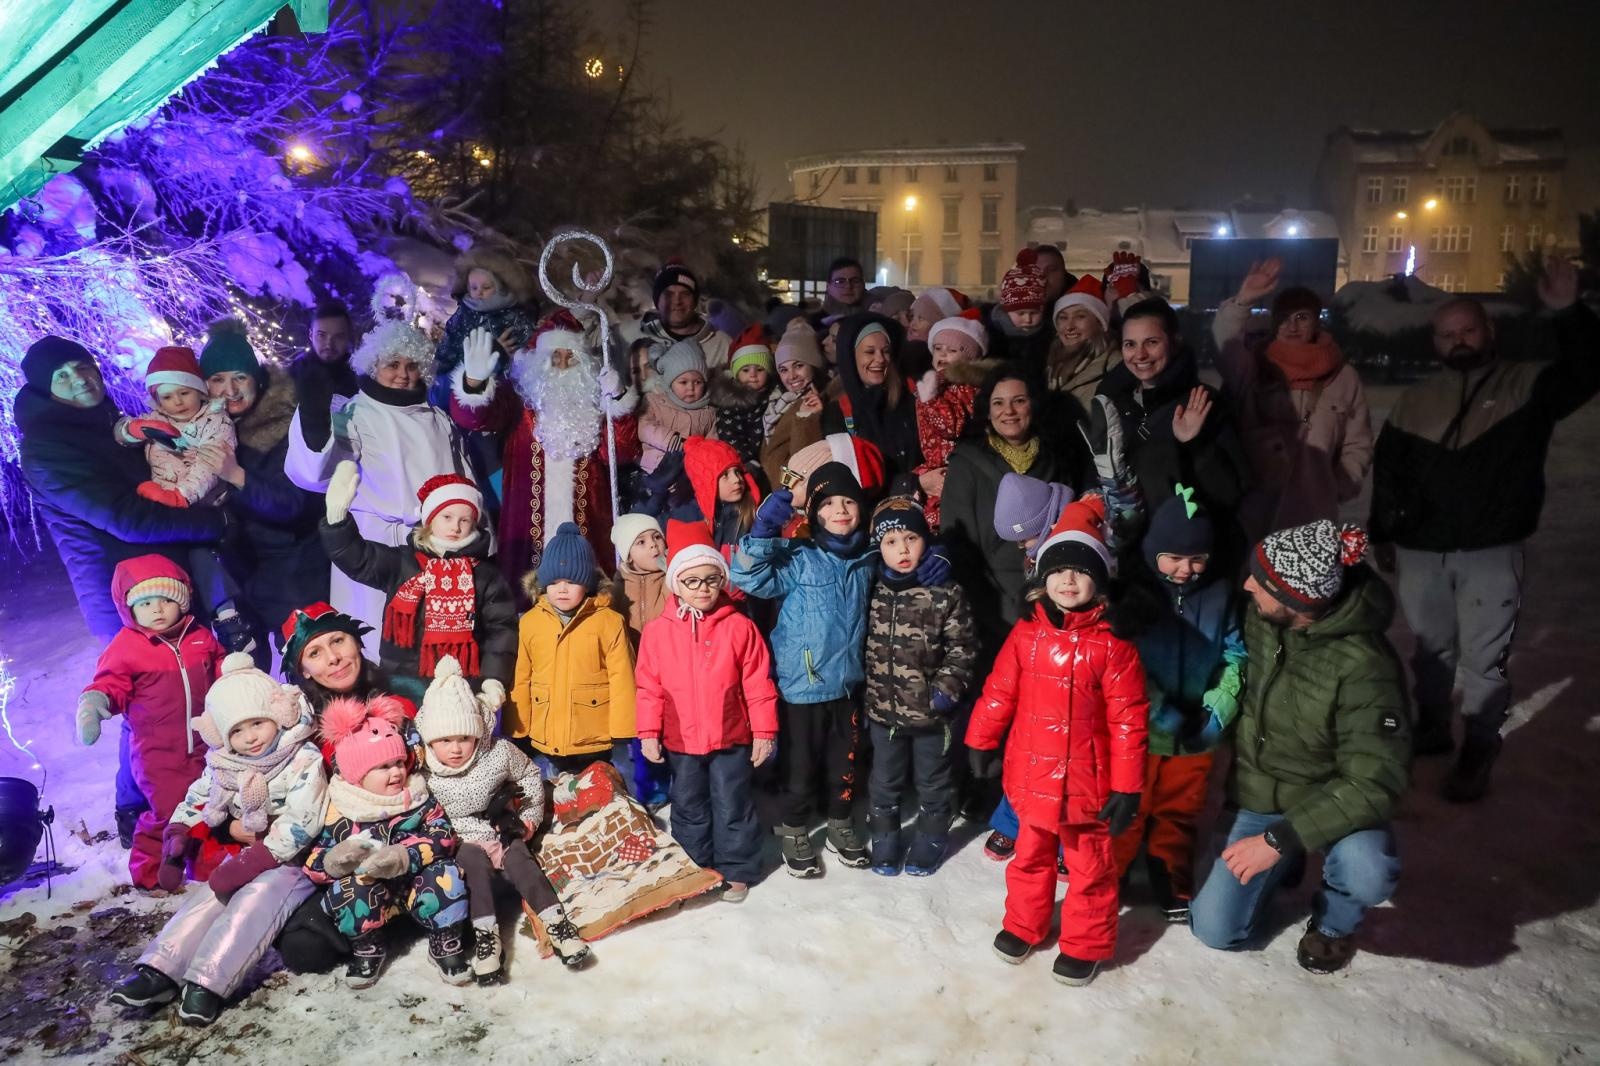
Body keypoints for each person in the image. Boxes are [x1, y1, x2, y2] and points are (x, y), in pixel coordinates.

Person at [1370, 257, 1599, 800]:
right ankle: (1432, 725)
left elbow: (1591, 367)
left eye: (1468, 329)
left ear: (1488, 330)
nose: (1459, 341)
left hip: (1490, 549)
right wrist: (1383, 530)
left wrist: (1569, 312)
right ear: (1436, 343)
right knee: (1429, 650)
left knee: (1484, 658)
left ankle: (1479, 742)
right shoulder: (1416, 399)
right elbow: (1390, 469)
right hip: (1423, 548)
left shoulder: (1528, 384)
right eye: (1448, 335)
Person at [1190, 520, 1407, 975]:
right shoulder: (1258, 616)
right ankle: (1281, 866)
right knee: (1214, 930)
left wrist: (1279, 840)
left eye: (1263, 583)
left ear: (1300, 603)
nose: (1248, 584)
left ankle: (1335, 922)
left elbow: (1374, 782)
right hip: (1259, 794)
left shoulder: (1367, 667)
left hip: (1329, 799)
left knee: (1369, 869)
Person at [966, 496, 1149, 987]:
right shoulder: (1026, 636)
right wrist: (980, 741)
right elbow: (999, 691)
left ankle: (1085, 943)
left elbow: (1130, 718)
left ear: (1100, 582)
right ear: (1041, 580)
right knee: (1029, 856)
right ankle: (1025, 924)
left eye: (1080, 571)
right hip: (1031, 777)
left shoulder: (1114, 646)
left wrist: (1128, 787)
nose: (1068, 581)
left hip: (1089, 787)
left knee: (1090, 868)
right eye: (1058, 571)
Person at [109, 653, 327, 1026]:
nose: (249, 738)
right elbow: (197, 796)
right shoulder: (227, 763)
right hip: (249, 854)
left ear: (277, 716)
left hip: (297, 862)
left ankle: (208, 982)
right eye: (236, 732)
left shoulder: (302, 757)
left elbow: (303, 821)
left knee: (255, 901)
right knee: (210, 896)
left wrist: (252, 861)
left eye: (257, 723)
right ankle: (160, 969)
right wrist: (177, 836)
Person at [284, 278, 473, 650]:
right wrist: (313, 414)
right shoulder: (354, 411)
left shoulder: (438, 419)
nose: (403, 374)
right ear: (373, 365)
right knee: (373, 643)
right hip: (372, 548)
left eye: (412, 365)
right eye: (392, 364)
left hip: (434, 546)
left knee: (430, 646)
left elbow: (464, 483)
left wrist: (474, 536)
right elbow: (315, 472)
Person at [731, 462, 877, 876]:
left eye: (849, 501)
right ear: (814, 513)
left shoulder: (867, 559)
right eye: (829, 503)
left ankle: (839, 823)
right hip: (802, 685)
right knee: (800, 767)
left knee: (843, 765)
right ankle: (794, 828)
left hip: (848, 685)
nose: (841, 510)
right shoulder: (800, 556)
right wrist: (761, 534)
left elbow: (907, 561)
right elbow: (747, 577)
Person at [1110, 485, 1245, 922]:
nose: (1186, 570)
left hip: (1195, 732)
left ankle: (1169, 869)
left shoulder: (1221, 594)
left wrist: (1216, 710)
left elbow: (1235, 655)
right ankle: (1111, 870)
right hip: (1142, 730)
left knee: (1181, 809)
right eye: (1174, 558)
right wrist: (1159, 709)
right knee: (1129, 803)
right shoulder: (1136, 595)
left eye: (1197, 559)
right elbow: (1122, 662)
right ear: (1153, 553)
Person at [415, 655, 589, 980]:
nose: (455, 749)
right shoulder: (426, 773)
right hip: (464, 837)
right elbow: (419, 809)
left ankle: (557, 923)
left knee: (523, 863)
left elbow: (529, 774)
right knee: (474, 873)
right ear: (430, 741)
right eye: (445, 741)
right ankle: (486, 938)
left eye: (463, 738)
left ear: (477, 734)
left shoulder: (498, 753)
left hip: (501, 827)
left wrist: (530, 816)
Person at [636, 525, 778, 902]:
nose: (702, 588)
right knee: (687, 805)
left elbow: (759, 685)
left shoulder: (740, 627)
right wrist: (648, 732)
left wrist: (764, 732)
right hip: (681, 739)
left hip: (730, 736)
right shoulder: (656, 633)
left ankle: (737, 868)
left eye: (711, 580)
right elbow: (648, 688)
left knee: (733, 804)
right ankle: (694, 866)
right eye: (692, 580)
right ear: (675, 583)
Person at [449, 317, 639, 600]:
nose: (562, 365)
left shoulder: (596, 404)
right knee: (528, 608)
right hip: (528, 533)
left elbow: (621, 453)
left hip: (589, 531)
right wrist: (474, 383)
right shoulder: (518, 403)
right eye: (554, 356)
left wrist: (619, 401)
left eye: (570, 357)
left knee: (590, 609)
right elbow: (474, 417)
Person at [76, 556, 225, 889]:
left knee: (208, 808)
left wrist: (234, 673)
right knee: (168, 813)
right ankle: (149, 875)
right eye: (145, 602)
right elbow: (111, 682)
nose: (157, 610)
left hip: (205, 744)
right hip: (157, 751)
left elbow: (219, 666)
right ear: (130, 607)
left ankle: (203, 871)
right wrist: (96, 702)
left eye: (167, 600)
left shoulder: (199, 636)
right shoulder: (127, 647)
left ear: (182, 602)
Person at [304, 693, 472, 988]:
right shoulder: (343, 809)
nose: (396, 772)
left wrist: (406, 855)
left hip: (415, 885)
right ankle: (367, 945)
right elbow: (315, 862)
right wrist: (335, 861)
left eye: (398, 762)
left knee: (445, 875)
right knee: (349, 889)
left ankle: (446, 938)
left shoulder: (418, 797)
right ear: (357, 775)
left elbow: (444, 835)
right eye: (383, 767)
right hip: (373, 894)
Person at [319, 465, 517, 700]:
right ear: (430, 520)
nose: (455, 527)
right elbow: (358, 558)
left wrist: (493, 679)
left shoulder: (485, 575)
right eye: (447, 517)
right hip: (403, 681)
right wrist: (337, 521)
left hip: (462, 687)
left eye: (465, 520)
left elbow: (501, 630)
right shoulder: (403, 563)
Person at [1213, 258, 1374, 542]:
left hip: (1313, 517)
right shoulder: (1254, 366)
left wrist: (1337, 486)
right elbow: (1225, 348)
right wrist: (1243, 301)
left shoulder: (1343, 376)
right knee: (1253, 585)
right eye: (1284, 317)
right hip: (1256, 513)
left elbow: (1357, 442)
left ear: (1316, 320)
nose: (1292, 325)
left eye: (1302, 316)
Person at [201, 321, 330, 665]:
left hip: (294, 570)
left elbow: (293, 504)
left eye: (239, 377)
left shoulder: (286, 428)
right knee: (250, 681)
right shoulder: (202, 432)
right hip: (240, 575)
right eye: (217, 380)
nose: (230, 390)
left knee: (310, 667)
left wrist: (238, 477)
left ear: (256, 380)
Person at [862, 497, 977, 876]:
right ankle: (885, 838)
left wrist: (945, 689)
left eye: (911, 538)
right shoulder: (873, 585)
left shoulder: (945, 591)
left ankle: (930, 836)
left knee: (933, 782)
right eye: (891, 542)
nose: (903, 550)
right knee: (884, 783)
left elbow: (963, 647)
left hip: (931, 715)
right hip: (884, 712)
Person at [941, 366, 1076, 668]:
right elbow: (959, 548)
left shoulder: (1056, 461)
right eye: (998, 403)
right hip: (990, 613)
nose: (1009, 411)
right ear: (987, 411)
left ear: (1033, 405)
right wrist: (1001, 612)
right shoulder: (967, 464)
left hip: (1051, 607)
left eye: (1019, 401)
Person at [1096, 298, 1250, 521]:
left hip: (1183, 547)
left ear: (1175, 342)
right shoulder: (1113, 401)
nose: (1140, 355)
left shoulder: (1202, 401)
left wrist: (1195, 445)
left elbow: (1229, 493)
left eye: (1151, 342)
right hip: (1129, 545)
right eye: (1130, 344)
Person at [506, 522, 638, 778]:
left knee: (596, 797)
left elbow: (622, 678)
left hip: (593, 735)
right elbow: (521, 677)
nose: (562, 589)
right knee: (554, 794)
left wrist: (624, 730)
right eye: (554, 581)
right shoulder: (530, 622)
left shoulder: (609, 622)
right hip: (546, 732)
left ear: (587, 583)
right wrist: (517, 727)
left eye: (572, 581)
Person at [117, 345, 237, 509]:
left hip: (201, 502)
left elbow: (209, 465)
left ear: (200, 391)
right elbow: (121, 434)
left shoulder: (216, 422)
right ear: (158, 400)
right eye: (167, 396)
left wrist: (181, 496)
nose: (178, 401)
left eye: (184, 393)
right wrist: (132, 430)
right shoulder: (157, 418)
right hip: (160, 496)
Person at [913, 313, 997, 530]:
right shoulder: (936, 384)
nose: (943, 355)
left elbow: (951, 426)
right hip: (934, 465)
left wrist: (930, 399)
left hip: (954, 466)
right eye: (938, 348)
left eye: (952, 351)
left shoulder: (966, 388)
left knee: (945, 517)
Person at [429, 246, 540, 406]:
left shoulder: (516, 317)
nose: (479, 292)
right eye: (474, 287)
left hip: (496, 397)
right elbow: (447, 351)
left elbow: (522, 363)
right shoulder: (463, 314)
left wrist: (497, 356)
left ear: (501, 287)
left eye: (486, 287)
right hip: (454, 388)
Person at [823, 312, 923, 476]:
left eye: (886, 351)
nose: (880, 359)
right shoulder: (838, 412)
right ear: (851, 357)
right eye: (870, 352)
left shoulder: (912, 397)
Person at [758, 317, 828, 487]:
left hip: (795, 493)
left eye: (798, 366)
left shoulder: (817, 401)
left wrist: (804, 418)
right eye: (783, 369)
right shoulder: (777, 401)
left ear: (813, 364)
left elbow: (803, 462)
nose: (791, 376)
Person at [1041, 276, 1119, 422]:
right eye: (1063, 318)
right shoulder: (1049, 367)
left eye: (1080, 317)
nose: (1069, 326)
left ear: (1100, 323)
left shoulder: (1114, 364)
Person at [638, 336, 718, 474]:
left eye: (697, 382)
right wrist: (671, 440)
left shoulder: (709, 411)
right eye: (683, 382)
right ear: (670, 382)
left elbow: (712, 442)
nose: (691, 388)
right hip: (656, 468)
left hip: (692, 471)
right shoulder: (655, 401)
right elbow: (645, 427)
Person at [638, 259, 732, 370]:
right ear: (657, 300)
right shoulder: (634, 338)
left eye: (685, 294)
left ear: (695, 301)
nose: (677, 301)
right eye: (669, 294)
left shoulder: (723, 344)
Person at [681, 436, 761, 554]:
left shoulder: (752, 513)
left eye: (737, 471)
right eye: (725, 474)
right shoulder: (692, 517)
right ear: (706, 484)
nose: (736, 479)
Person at [711, 327, 776, 467]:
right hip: (744, 461)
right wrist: (746, 459)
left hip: (770, 455)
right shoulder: (730, 402)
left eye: (759, 369)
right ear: (736, 373)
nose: (753, 375)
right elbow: (729, 434)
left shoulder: (774, 394)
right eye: (745, 370)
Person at [984, 249, 1052, 363]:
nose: (1028, 319)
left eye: (1034, 313)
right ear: (1006, 311)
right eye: (1021, 313)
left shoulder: (1049, 335)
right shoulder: (990, 333)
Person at [820, 257, 867, 321]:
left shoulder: (876, 316)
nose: (848, 286)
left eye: (855, 281)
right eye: (840, 281)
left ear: (863, 284)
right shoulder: (814, 323)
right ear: (828, 286)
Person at [1032, 244, 1075, 309]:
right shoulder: (1015, 309)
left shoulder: (1084, 307)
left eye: (1051, 270)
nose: (1042, 276)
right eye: (1035, 271)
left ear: (1064, 273)